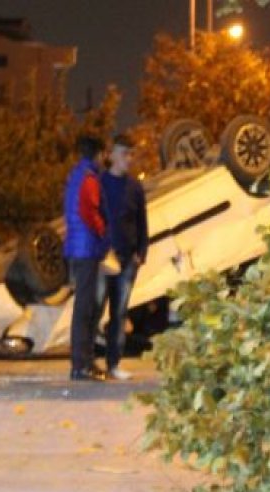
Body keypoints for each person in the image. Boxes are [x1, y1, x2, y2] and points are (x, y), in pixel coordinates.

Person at [99, 134, 150, 381]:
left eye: (131, 154)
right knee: (95, 310)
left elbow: (142, 221)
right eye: (124, 154)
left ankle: (113, 364)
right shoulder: (99, 183)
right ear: (112, 155)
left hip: (128, 259)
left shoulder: (134, 187)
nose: (129, 159)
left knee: (119, 313)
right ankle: (87, 364)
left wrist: (142, 252)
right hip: (103, 258)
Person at [63, 135, 108, 381]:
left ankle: (82, 363)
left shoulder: (75, 176)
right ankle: (82, 364)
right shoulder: (89, 179)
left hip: (77, 247)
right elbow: (89, 212)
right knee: (86, 308)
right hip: (87, 249)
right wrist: (104, 232)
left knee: (84, 307)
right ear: (98, 154)